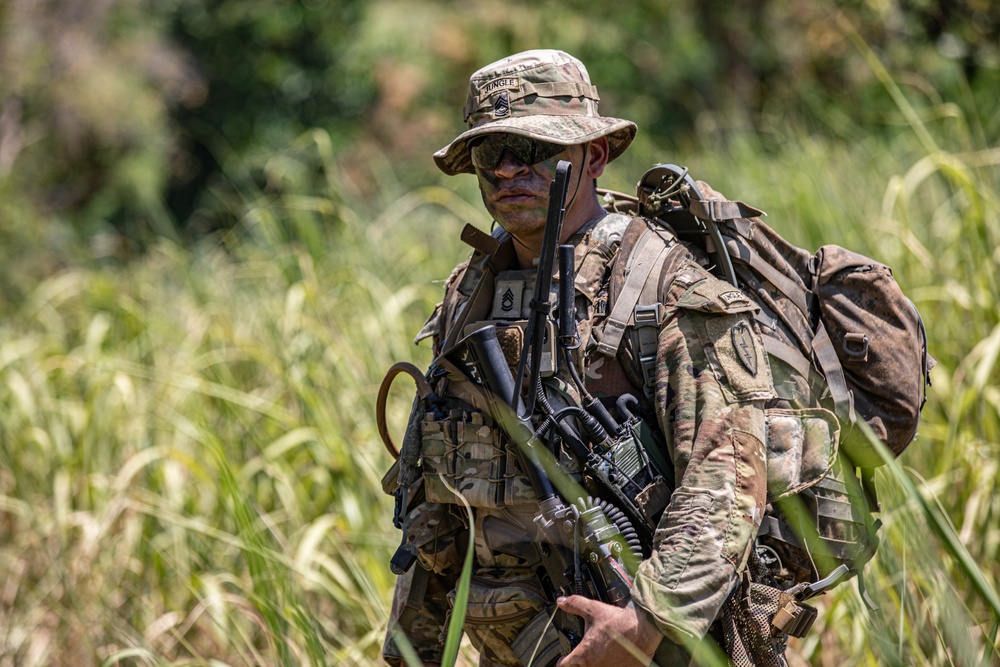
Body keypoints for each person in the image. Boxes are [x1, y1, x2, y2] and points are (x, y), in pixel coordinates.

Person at [381, 49, 779, 667]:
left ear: (593, 155)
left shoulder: (664, 288)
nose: (510, 170)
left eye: (535, 149)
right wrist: (411, 651)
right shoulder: (471, 293)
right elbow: (437, 500)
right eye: (492, 154)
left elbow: (726, 479)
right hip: (517, 647)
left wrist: (644, 623)